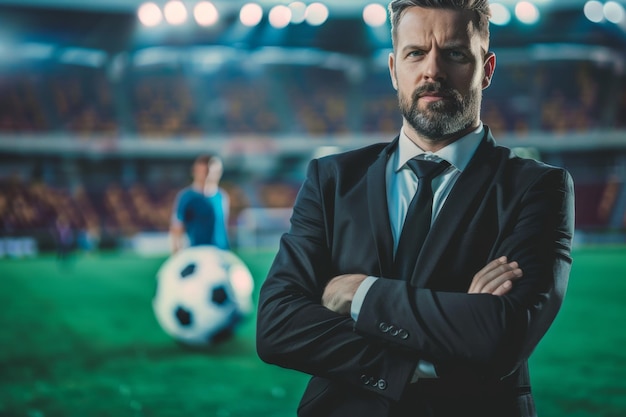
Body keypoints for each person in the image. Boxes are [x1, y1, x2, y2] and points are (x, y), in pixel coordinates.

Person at [256, 1, 575, 416]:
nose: (433, 71)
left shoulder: (537, 187)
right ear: (393, 69)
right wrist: (436, 345)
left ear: (487, 68)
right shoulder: (332, 179)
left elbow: (501, 337)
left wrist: (359, 293)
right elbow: (278, 326)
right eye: (415, 53)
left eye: (455, 53)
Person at [170, 154, 230, 253]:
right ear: (195, 171)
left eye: (210, 171)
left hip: (219, 252)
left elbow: (223, 228)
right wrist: (177, 253)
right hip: (197, 253)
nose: (206, 175)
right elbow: (177, 228)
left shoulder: (221, 196)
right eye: (204, 171)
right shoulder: (186, 197)